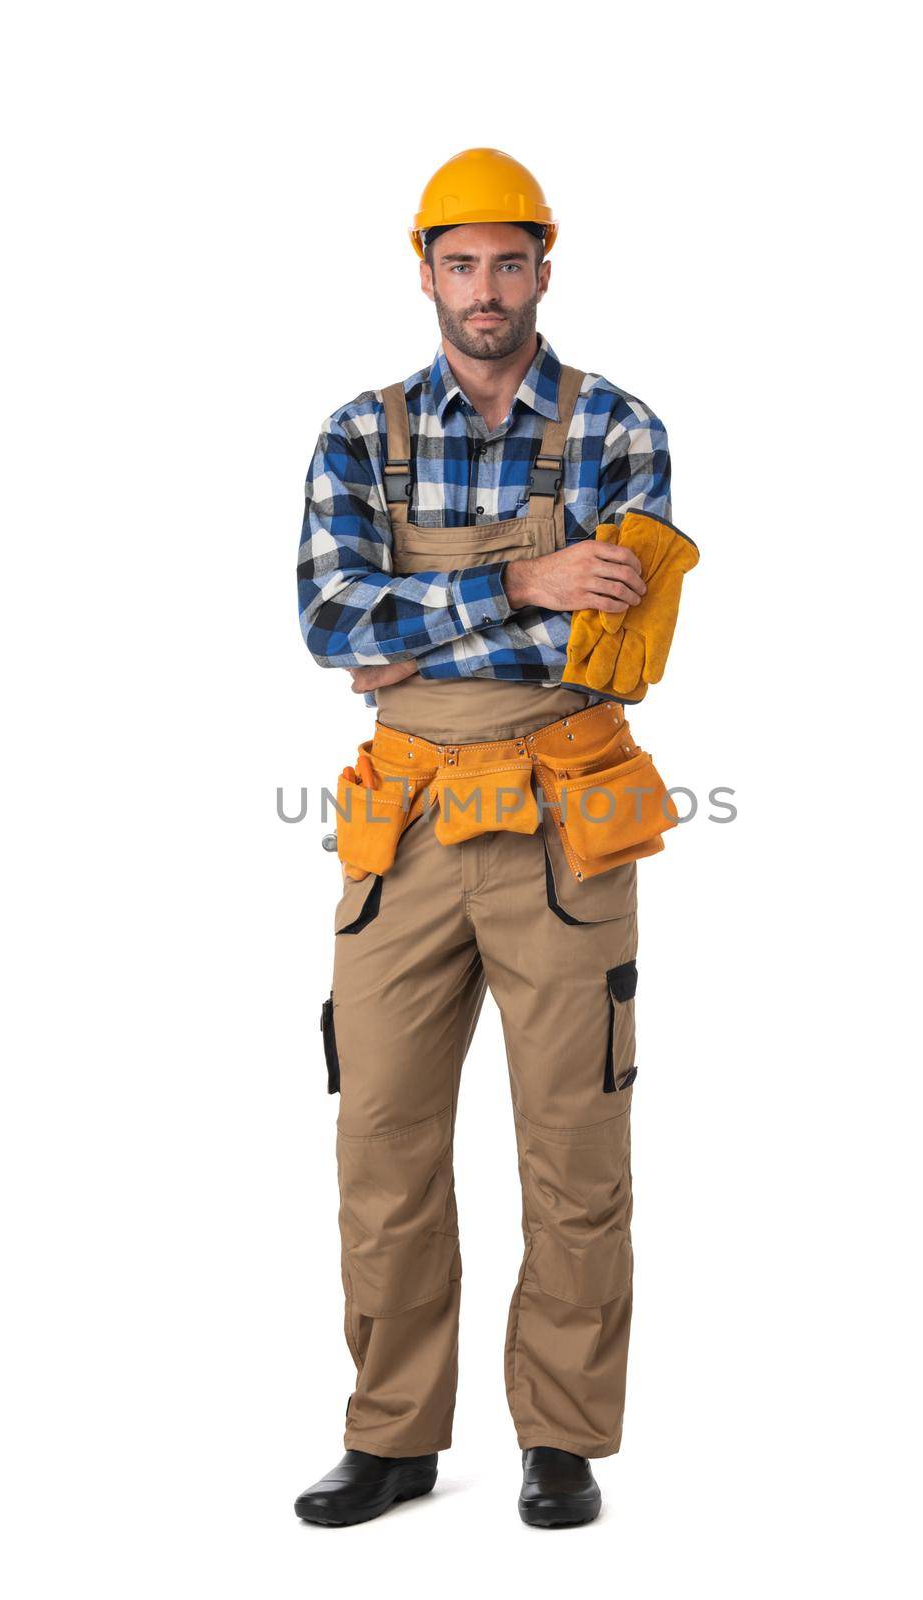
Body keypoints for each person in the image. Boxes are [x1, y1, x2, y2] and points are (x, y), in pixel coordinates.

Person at [294, 147, 698, 1528]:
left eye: (508, 262)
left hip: (566, 825)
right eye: (458, 264)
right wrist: (522, 577)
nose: (485, 289)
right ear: (424, 272)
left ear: (544, 266)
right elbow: (328, 626)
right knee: (384, 1143)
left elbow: (615, 644)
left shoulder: (619, 430)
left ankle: (562, 1441)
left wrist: (422, 615)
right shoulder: (357, 433)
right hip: (399, 835)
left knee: (575, 1148)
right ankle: (394, 1435)